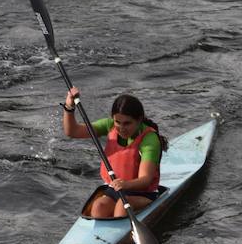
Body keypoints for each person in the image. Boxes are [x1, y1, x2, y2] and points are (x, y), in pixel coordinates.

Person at [61, 89, 167, 219]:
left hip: (144, 194)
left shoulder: (149, 140)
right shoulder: (109, 125)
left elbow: (145, 180)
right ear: (113, 118)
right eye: (118, 122)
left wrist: (125, 184)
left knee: (122, 207)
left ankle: (123, 235)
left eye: (127, 123)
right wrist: (69, 107)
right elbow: (73, 131)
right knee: (98, 206)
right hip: (117, 190)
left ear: (139, 120)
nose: (122, 128)